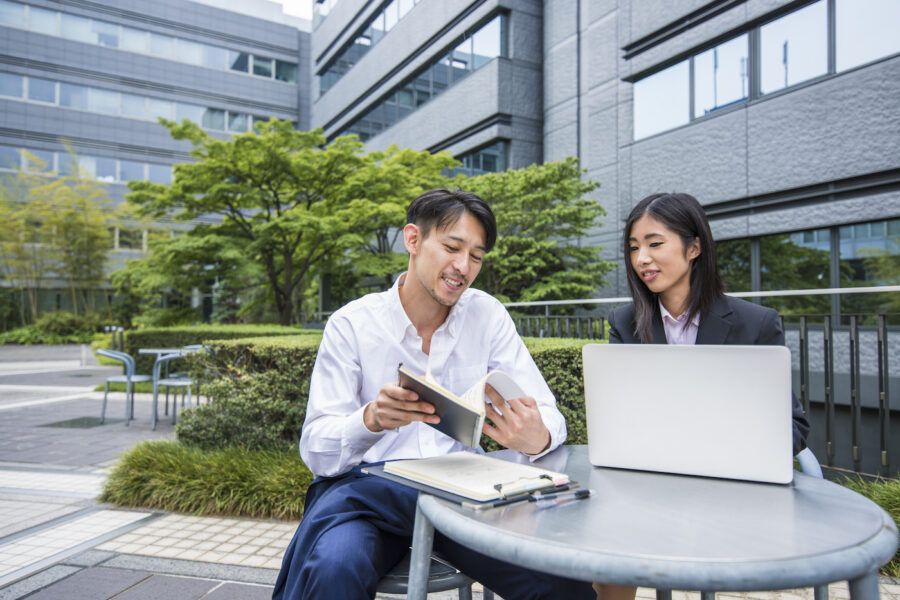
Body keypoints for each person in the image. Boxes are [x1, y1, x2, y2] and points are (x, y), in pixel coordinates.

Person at [272, 189, 595, 600]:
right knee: (335, 566)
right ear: (413, 239)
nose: (463, 267)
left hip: (465, 496)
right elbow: (316, 451)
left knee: (561, 583)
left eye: (476, 256)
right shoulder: (352, 324)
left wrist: (538, 435)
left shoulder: (486, 315)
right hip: (367, 495)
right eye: (452, 247)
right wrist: (369, 419)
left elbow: (549, 416)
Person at [607, 192, 810, 453]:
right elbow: (618, 417)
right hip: (654, 466)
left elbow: (791, 427)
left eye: (654, 244)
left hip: (731, 469)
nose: (641, 259)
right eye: (634, 248)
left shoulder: (755, 324)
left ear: (694, 248)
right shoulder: (624, 323)